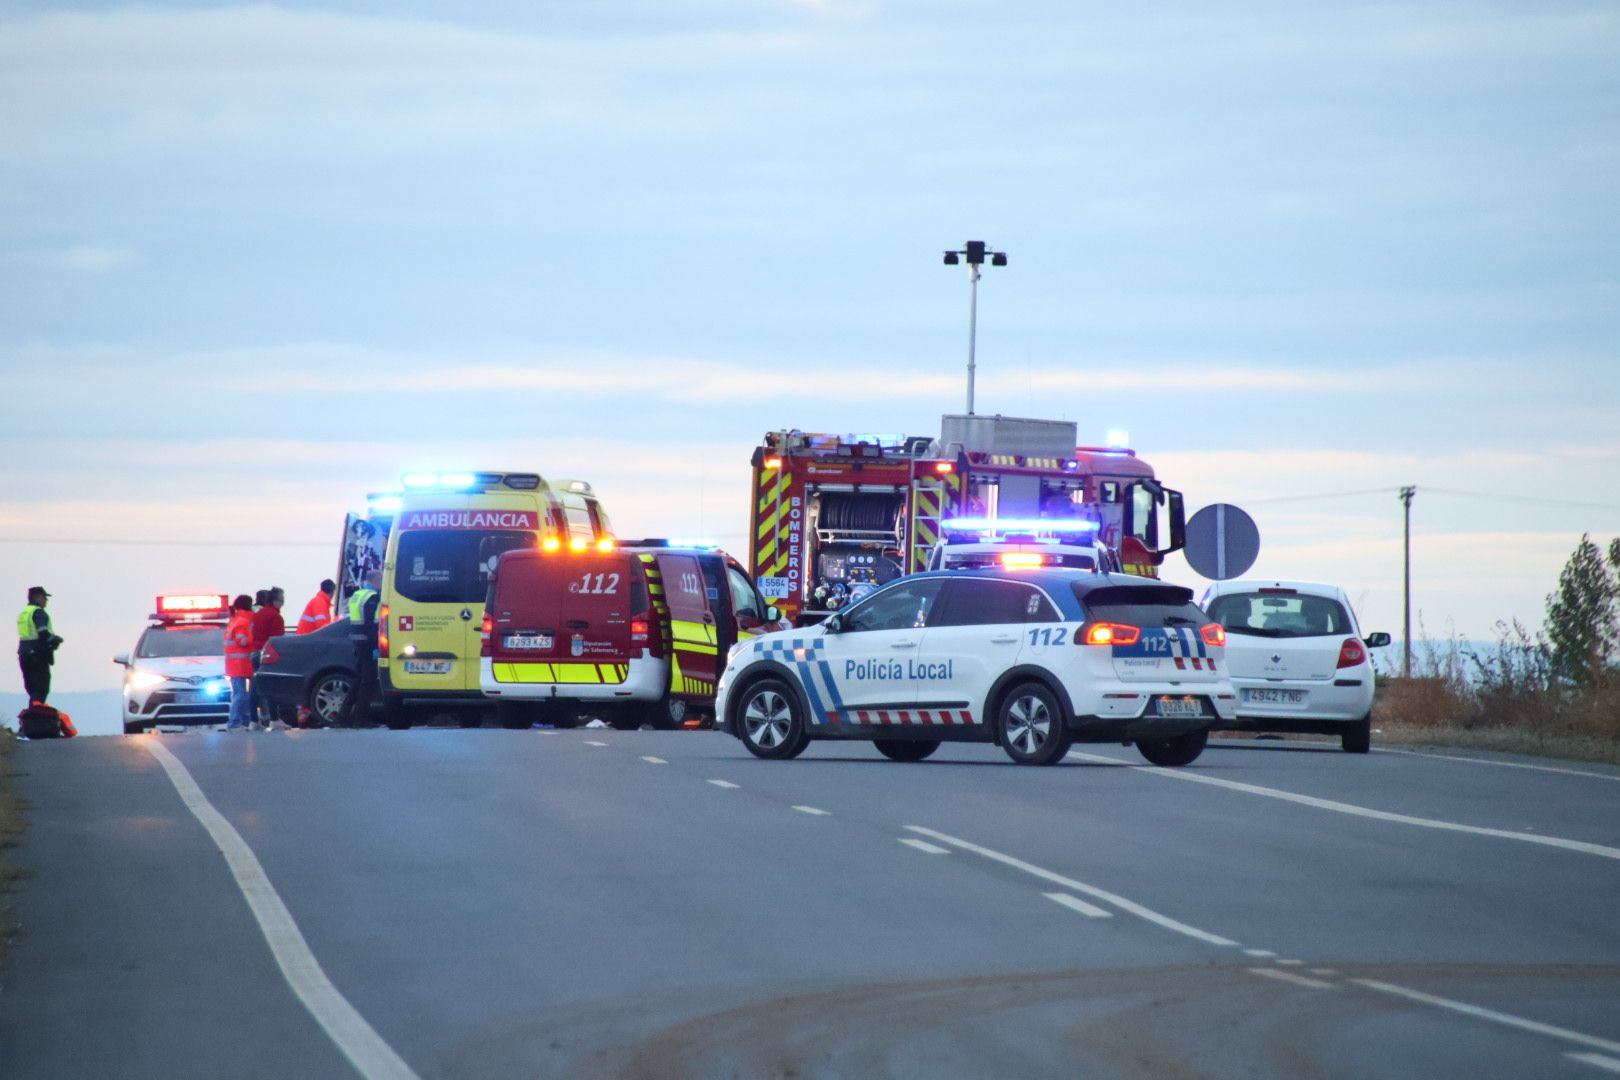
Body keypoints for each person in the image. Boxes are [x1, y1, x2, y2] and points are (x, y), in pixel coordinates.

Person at [337, 571, 382, 727]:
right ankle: (360, 719)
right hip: (368, 644)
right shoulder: (372, 598)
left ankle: (343, 716)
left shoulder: (357, 595)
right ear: (376, 580)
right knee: (367, 682)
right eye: (381, 580)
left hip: (357, 642)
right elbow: (372, 624)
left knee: (358, 681)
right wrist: (376, 647)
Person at [16, 586, 63, 704]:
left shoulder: (24, 614)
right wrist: (55, 640)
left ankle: (32, 715)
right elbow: (43, 633)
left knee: (32, 690)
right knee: (41, 689)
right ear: (37, 597)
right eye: (44, 598)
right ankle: (37, 717)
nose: (46, 601)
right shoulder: (39, 613)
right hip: (37, 657)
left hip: (24, 655)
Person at [248, 587, 286, 729]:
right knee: (271, 686)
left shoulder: (258, 615)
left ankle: (253, 721)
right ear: (276, 600)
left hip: (255, 654)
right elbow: (277, 641)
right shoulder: (276, 617)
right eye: (282, 600)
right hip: (268, 655)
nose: (283, 603)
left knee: (255, 688)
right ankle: (274, 719)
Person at [223, 595, 256, 731]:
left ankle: (243, 722)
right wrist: (253, 635)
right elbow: (242, 641)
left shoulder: (235, 620)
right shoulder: (243, 621)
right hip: (241, 664)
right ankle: (234, 723)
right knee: (241, 695)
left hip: (235, 665)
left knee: (239, 695)